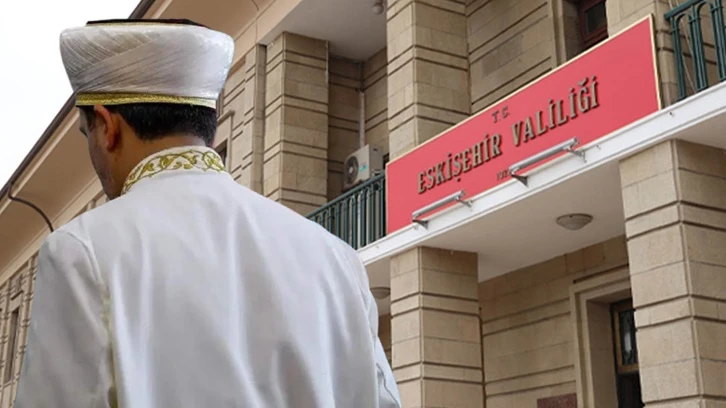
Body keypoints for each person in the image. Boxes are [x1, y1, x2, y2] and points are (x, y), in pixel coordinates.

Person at [14, 19, 401, 408]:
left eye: (87, 135)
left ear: (106, 125)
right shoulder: (338, 260)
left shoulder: (82, 251)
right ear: (208, 127)